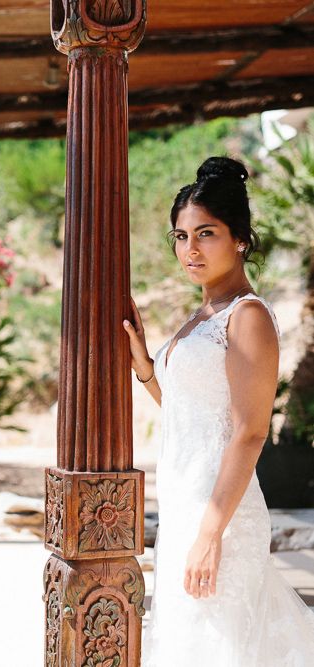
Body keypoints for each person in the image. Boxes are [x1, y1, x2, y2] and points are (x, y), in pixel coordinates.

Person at [123, 156, 314, 665]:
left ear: (240, 239)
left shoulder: (247, 316)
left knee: (220, 647)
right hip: (185, 507)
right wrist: (146, 364)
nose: (190, 249)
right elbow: (192, 412)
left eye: (205, 233)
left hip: (221, 515)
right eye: (180, 237)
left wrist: (211, 534)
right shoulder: (200, 315)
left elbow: (249, 432)